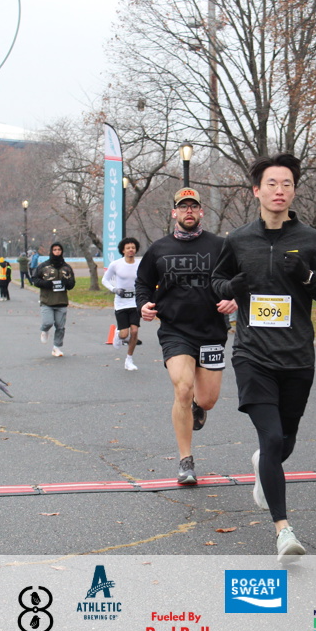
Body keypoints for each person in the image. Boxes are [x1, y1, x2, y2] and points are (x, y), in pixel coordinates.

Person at [211, 154, 316, 563]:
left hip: (297, 356)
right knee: (270, 439)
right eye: (272, 183)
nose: (279, 190)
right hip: (253, 354)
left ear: (294, 191)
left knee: (284, 441)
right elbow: (217, 281)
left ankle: (264, 465)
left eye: (286, 184)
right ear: (257, 191)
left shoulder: (312, 240)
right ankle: (283, 530)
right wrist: (230, 287)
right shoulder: (238, 240)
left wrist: (306, 275)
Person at [136, 189, 237, 485]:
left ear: (201, 211)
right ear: (174, 213)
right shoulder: (159, 249)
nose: (188, 211)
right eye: (183, 207)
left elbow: (240, 278)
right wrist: (143, 304)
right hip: (175, 330)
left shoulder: (220, 246)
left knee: (207, 400)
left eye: (193, 206)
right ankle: (186, 460)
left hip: (212, 331)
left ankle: (198, 406)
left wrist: (235, 299)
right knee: (182, 388)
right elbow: (143, 283)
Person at [30, 242, 75, 357]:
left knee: (60, 327)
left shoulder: (66, 267)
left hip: (61, 301)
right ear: (51, 251)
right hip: (47, 301)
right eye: (55, 250)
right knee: (48, 322)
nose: (57, 252)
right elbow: (34, 279)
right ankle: (44, 330)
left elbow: (72, 283)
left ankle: (56, 347)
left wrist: (66, 283)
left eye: (59, 250)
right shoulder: (44, 266)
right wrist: (45, 283)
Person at [104, 237, 142, 371]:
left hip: (135, 302)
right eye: (128, 248)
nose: (131, 250)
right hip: (121, 303)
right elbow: (105, 280)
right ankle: (118, 334)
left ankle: (129, 359)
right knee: (124, 334)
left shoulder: (140, 264)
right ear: (123, 250)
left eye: (133, 247)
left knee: (135, 331)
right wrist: (114, 289)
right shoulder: (116, 264)